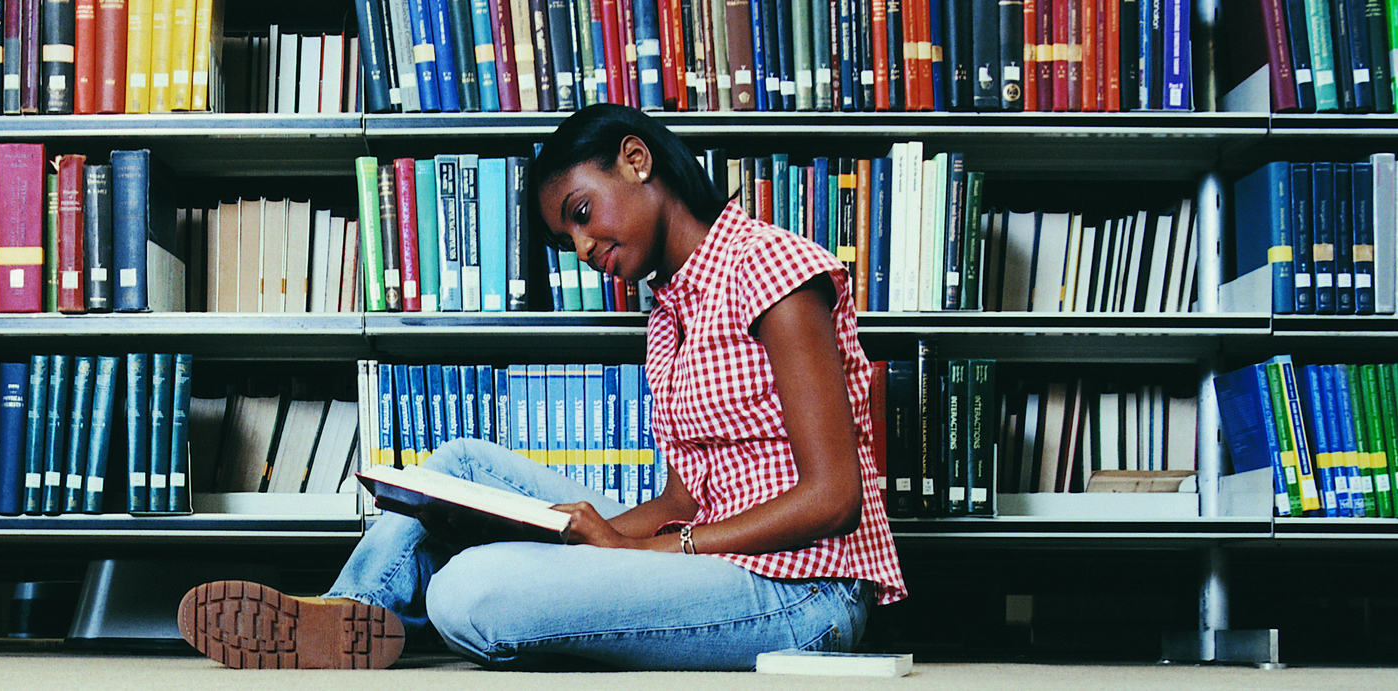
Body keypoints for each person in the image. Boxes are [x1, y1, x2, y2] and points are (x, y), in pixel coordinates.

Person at [177, 104, 905, 671]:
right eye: (569, 240)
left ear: (635, 158)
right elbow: (685, 501)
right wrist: (592, 531)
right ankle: (351, 612)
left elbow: (832, 496)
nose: (585, 250)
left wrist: (651, 551)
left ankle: (405, 608)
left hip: (802, 592)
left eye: (582, 215)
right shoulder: (669, 313)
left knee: (470, 589)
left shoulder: (769, 265)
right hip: (710, 553)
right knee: (460, 462)